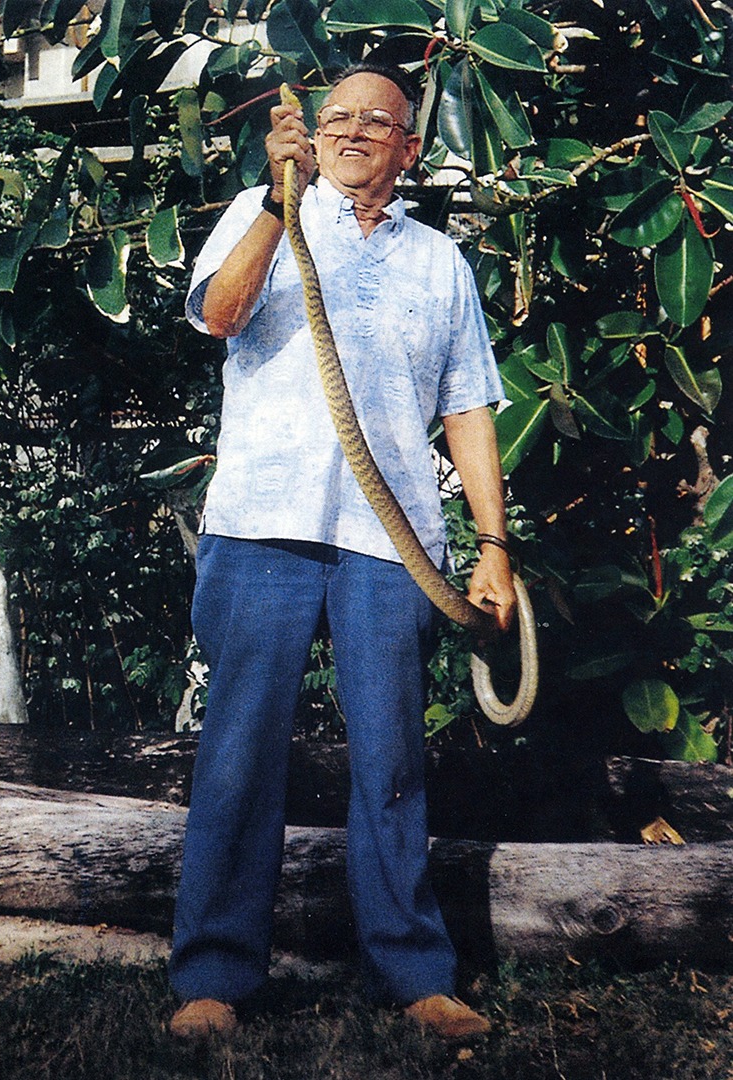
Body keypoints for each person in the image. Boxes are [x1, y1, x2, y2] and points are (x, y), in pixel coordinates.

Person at [168, 62, 516, 1041]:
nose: (356, 131)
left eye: (380, 121)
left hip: (389, 543)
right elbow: (220, 314)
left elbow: (468, 411)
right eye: (338, 118)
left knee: (393, 760)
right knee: (236, 755)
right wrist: (278, 207)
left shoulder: (440, 263)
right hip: (261, 527)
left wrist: (492, 544)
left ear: (410, 148)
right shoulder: (258, 210)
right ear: (311, 136)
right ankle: (213, 979)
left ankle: (415, 977)